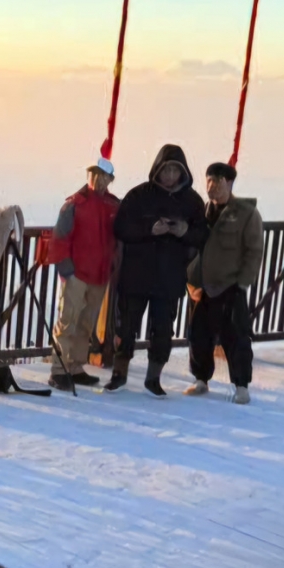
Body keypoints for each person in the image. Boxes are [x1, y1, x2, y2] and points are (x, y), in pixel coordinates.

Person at [106, 144, 207, 395]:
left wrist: (184, 231)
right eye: (166, 170)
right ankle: (119, 374)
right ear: (157, 169)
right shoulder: (139, 195)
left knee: (163, 329)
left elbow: (203, 235)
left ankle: (154, 378)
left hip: (170, 277)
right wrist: (149, 229)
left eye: (175, 170)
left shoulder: (193, 202)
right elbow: (120, 227)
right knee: (126, 326)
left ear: (183, 173)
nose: (170, 175)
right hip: (136, 274)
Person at [185, 162, 263, 405]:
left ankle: (241, 385)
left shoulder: (245, 213)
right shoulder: (201, 213)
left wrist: (242, 283)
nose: (212, 186)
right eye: (209, 180)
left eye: (217, 181)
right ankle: (201, 379)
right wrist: (190, 281)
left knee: (236, 336)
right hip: (201, 287)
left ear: (229, 183)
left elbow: (254, 251)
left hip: (230, 285)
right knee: (198, 334)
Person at [47, 157, 120, 389]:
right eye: (94, 174)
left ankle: (76, 366)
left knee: (86, 324)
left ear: (109, 180)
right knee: (67, 321)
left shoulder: (113, 206)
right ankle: (59, 370)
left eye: (103, 176)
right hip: (77, 273)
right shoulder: (74, 204)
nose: (98, 180)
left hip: (100, 274)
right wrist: (66, 268)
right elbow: (60, 238)